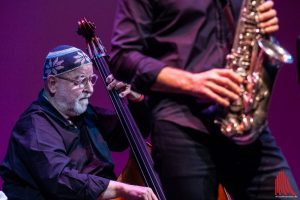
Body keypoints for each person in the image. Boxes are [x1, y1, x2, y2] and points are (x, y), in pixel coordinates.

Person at [109, 0, 299, 199]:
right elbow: (122, 57)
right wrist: (192, 82)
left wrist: (262, 34)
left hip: (240, 120)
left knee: (285, 195)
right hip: (182, 126)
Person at [0, 45, 157, 200]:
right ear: (52, 83)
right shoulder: (34, 126)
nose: (90, 89)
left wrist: (137, 99)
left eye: (91, 80)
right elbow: (60, 180)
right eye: (81, 81)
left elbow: (130, 133)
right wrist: (122, 188)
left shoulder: (86, 114)